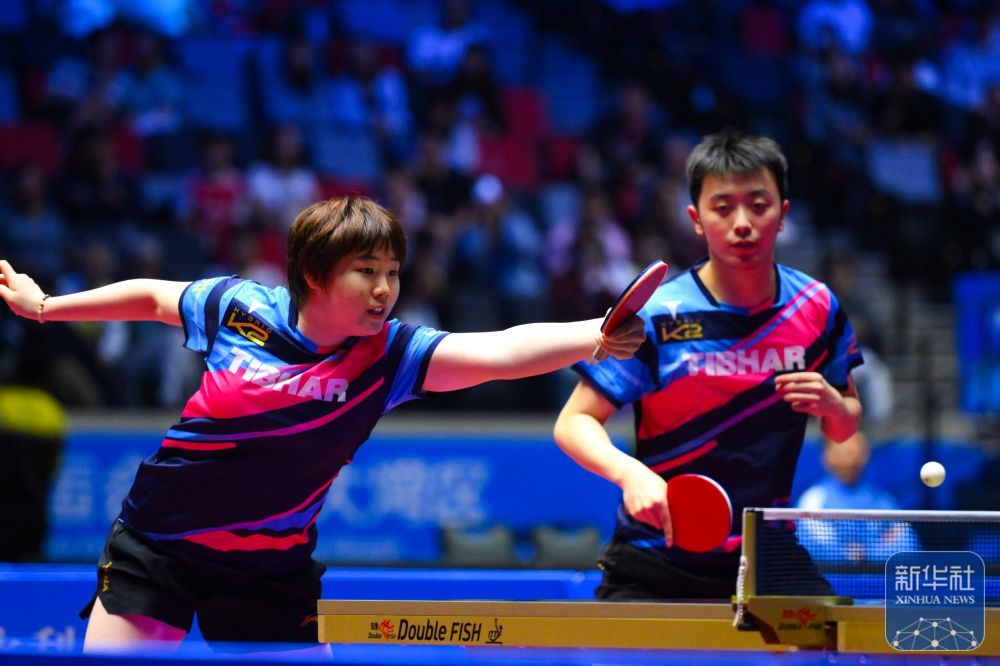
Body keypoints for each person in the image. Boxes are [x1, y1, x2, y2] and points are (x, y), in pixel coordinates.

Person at [0, 196, 645, 651]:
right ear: (314, 273)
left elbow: (500, 351)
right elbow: (151, 296)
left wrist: (595, 333)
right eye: (366, 271)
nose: (384, 289)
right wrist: (47, 306)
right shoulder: (239, 307)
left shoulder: (390, 355)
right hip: (158, 546)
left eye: (392, 273)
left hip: (269, 571)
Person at [552, 128, 864, 600]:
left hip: (766, 554)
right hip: (656, 554)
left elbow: (844, 429)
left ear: (783, 214)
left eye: (758, 205)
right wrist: (629, 473)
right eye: (723, 208)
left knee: (836, 635)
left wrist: (834, 407)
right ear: (697, 219)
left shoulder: (816, 307)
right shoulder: (659, 315)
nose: (742, 223)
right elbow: (574, 422)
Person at [796, 431, 917, 564]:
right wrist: (847, 553)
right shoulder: (813, 499)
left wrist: (865, 553)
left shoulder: (880, 499)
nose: (851, 459)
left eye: (856, 451)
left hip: (877, 576)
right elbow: (809, 545)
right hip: (830, 576)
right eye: (844, 452)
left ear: (866, 455)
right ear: (827, 457)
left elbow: (908, 545)